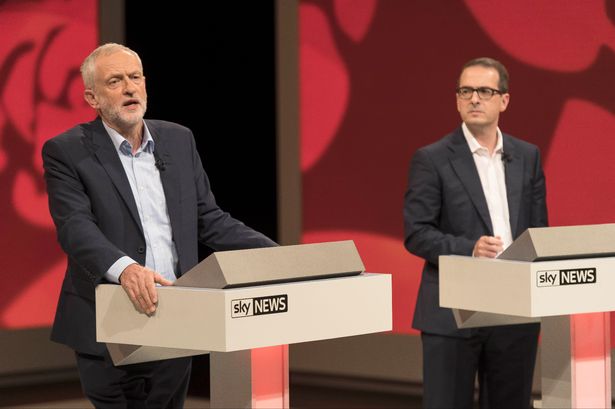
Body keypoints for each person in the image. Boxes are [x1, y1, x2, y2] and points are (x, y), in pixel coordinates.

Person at [42, 43, 277, 408]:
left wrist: (277, 256)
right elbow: (75, 226)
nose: (129, 88)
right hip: (107, 322)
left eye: (135, 78)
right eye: (115, 81)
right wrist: (125, 269)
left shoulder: (178, 140)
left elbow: (209, 219)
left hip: (175, 318)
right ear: (92, 97)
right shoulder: (67, 150)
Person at [404, 57, 548, 408]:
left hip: (513, 310)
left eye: (485, 91)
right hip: (453, 311)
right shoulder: (432, 158)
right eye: (465, 91)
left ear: (504, 100)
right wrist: (469, 248)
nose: (474, 99)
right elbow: (416, 232)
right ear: (456, 99)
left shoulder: (527, 156)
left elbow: (539, 232)